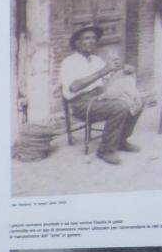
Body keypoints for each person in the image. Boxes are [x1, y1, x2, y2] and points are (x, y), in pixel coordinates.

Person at [58, 25, 143, 165]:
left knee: (137, 101)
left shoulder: (96, 60)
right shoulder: (68, 62)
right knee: (120, 107)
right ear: (77, 43)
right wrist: (102, 71)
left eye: (94, 38)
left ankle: (120, 140)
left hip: (100, 97)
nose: (91, 41)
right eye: (87, 38)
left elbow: (110, 75)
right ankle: (106, 150)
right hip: (81, 103)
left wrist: (125, 70)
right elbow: (73, 87)